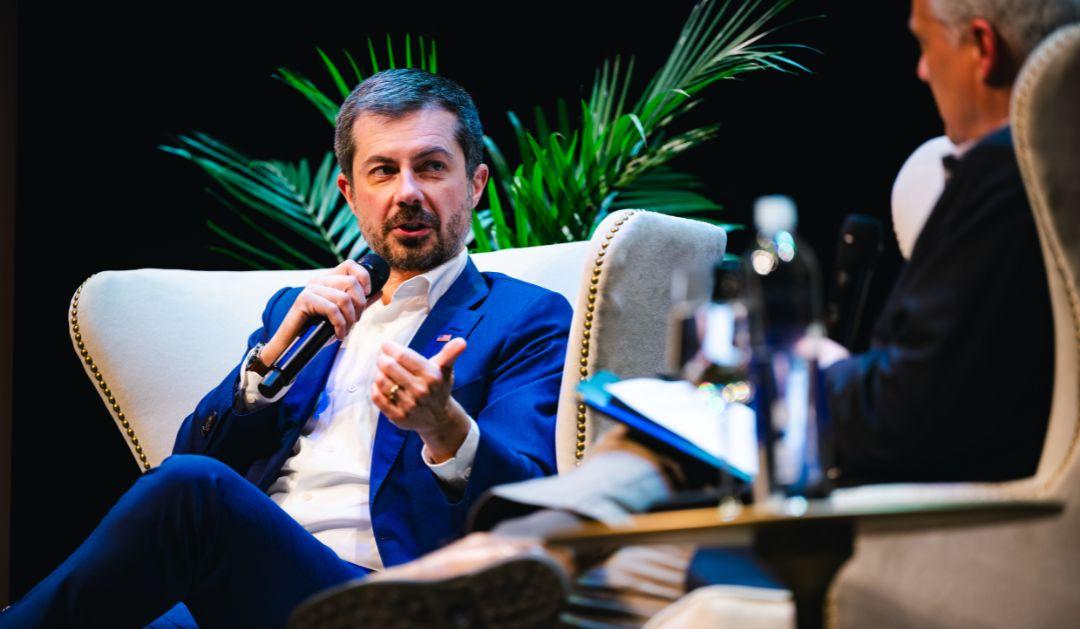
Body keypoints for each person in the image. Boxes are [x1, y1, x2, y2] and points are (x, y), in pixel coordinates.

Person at [289, 0, 1080, 626]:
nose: (918, 67)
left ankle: (503, 556)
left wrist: (798, 385)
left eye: (924, 43)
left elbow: (924, 406)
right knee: (627, 537)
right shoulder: (1028, 187)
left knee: (670, 419)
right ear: (351, 188)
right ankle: (518, 560)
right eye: (382, 170)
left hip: (900, 508)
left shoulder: (1010, 180)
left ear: (980, 48)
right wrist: (266, 367)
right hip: (888, 489)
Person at [0, 69, 572, 628]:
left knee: (191, 492)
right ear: (350, 192)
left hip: (388, 598)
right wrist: (272, 356)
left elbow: (526, 508)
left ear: (474, 184)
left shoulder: (524, 317)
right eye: (382, 171)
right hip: (243, 585)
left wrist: (444, 426)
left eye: (430, 167)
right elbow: (192, 456)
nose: (407, 193)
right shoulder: (300, 311)